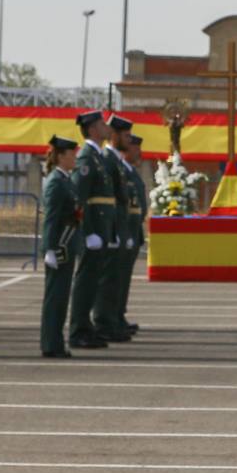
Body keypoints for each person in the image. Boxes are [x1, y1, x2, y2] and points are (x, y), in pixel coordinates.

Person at [68, 110, 116, 350]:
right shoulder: (86, 158)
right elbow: (80, 198)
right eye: (102, 124)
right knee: (86, 280)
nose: (107, 127)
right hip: (93, 231)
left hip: (102, 229)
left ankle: (87, 326)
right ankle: (78, 329)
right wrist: (87, 232)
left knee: (93, 280)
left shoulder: (97, 157)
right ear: (92, 129)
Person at [94, 115, 134, 343]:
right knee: (108, 280)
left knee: (115, 280)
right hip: (109, 228)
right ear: (116, 135)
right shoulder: (107, 160)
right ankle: (104, 322)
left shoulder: (114, 160)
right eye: (126, 136)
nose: (129, 140)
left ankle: (112, 320)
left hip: (118, 228)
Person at [40, 136, 81, 358]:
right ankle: (50, 343)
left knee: (61, 297)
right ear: (61, 156)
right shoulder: (56, 181)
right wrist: (49, 249)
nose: (75, 157)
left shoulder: (66, 180)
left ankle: (55, 341)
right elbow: (51, 218)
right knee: (55, 298)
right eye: (71, 154)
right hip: (59, 246)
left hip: (67, 243)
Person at [118, 136, 149, 334]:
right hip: (125, 229)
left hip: (133, 229)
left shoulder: (130, 171)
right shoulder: (122, 171)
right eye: (136, 149)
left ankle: (118, 315)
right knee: (117, 278)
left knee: (124, 279)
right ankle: (112, 317)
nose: (140, 154)